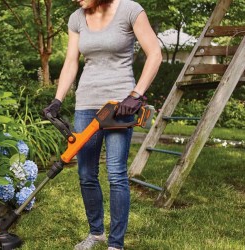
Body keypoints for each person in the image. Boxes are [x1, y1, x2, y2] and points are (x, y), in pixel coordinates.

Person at [42, 0, 162, 249]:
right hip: (86, 103)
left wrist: (136, 95)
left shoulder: (130, 10)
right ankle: (96, 233)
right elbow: (71, 62)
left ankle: (115, 244)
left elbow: (155, 54)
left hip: (120, 105)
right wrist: (57, 99)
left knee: (116, 174)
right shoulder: (77, 18)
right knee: (86, 173)